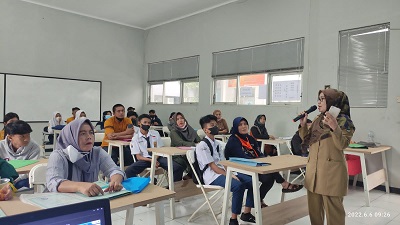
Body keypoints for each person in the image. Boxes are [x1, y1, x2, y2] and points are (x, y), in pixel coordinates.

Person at [299, 89, 355, 225]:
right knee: (315, 213)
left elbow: (342, 145)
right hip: (314, 172)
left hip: (331, 174)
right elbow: (308, 140)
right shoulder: (319, 119)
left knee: (334, 216)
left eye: (322, 99)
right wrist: (303, 124)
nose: (318, 102)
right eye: (318, 98)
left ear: (333, 101)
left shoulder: (344, 121)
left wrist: (335, 127)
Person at [225, 117, 303, 208]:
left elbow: (259, 153)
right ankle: (283, 183)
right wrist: (260, 161)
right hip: (240, 167)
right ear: (235, 127)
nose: (243, 126)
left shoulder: (250, 139)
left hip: (254, 165)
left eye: (245, 124)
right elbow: (242, 158)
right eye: (240, 125)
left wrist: (264, 159)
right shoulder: (233, 141)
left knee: (269, 178)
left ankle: (258, 200)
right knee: (267, 173)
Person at [196, 115, 255, 225]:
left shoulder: (217, 144)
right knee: (238, 186)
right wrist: (229, 175)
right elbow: (213, 167)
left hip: (223, 172)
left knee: (252, 181)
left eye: (216, 124)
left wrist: (231, 172)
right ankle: (233, 219)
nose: (215, 127)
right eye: (212, 125)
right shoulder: (202, 146)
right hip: (212, 176)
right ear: (205, 130)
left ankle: (246, 213)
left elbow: (224, 163)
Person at [46, 119, 125, 196]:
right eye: (82, 133)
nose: (89, 137)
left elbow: (114, 170)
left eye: (91, 133)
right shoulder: (58, 155)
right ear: (71, 136)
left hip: (88, 202)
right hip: (61, 203)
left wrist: (115, 180)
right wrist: (80, 186)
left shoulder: (97, 153)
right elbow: (53, 182)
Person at [125, 114, 184, 181]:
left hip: (158, 157)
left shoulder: (155, 133)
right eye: (145, 122)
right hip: (145, 159)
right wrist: (151, 160)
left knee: (177, 168)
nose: (147, 124)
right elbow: (138, 157)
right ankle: (138, 185)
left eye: (149, 123)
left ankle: (172, 188)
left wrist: (155, 159)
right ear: (139, 123)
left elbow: (160, 149)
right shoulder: (135, 138)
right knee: (129, 171)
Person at [0, 120, 41, 189]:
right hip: (4, 179)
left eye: (28, 135)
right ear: (10, 137)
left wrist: (15, 181)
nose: (27, 139)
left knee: (24, 184)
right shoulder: (1, 146)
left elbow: (32, 170)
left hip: (21, 180)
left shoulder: (34, 148)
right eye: (22, 137)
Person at [170, 112, 201, 177]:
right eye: (177, 119)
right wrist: (194, 144)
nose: (180, 120)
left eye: (181, 118)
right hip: (178, 156)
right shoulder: (173, 132)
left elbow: (198, 140)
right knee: (190, 162)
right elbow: (180, 142)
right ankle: (190, 177)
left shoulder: (190, 129)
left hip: (190, 153)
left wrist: (199, 143)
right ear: (175, 121)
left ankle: (195, 179)